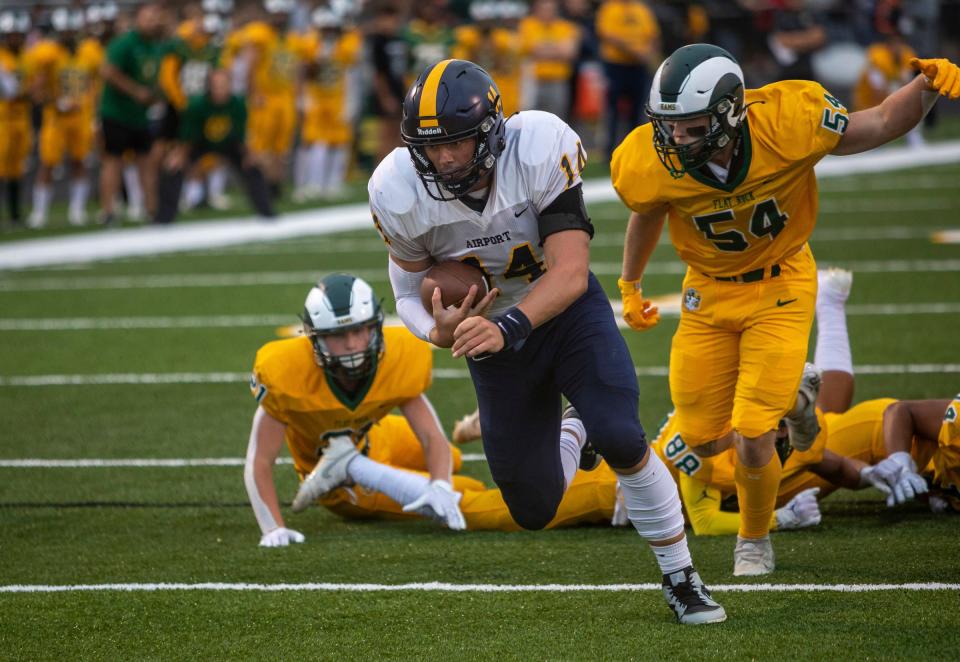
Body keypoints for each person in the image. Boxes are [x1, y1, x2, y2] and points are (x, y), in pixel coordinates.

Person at [366, 58, 725, 625]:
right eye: (431, 147)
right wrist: (434, 330)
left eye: (457, 142)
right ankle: (572, 426)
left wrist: (506, 327)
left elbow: (570, 273)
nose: (444, 158)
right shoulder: (396, 188)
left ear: (491, 131)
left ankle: (681, 576)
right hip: (490, 335)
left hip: (561, 311)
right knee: (532, 508)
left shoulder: (538, 147)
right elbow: (409, 292)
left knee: (622, 435)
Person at [612, 43, 960, 575]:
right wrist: (630, 282)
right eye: (669, 126)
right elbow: (647, 211)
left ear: (731, 111)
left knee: (753, 432)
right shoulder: (650, 159)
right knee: (701, 442)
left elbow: (881, 121)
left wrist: (925, 87)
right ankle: (798, 401)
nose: (676, 140)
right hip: (707, 290)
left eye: (692, 127)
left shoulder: (788, 119)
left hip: (782, 282)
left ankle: (753, 540)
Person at [245, 274, 471, 547]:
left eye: (358, 331)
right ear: (315, 339)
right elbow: (259, 460)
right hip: (337, 480)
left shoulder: (399, 355)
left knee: (453, 460)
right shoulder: (284, 372)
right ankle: (346, 467)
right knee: (472, 498)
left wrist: (440, 484)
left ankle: (352, 462)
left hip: (375, 435)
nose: (351, 344)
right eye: (338, 335)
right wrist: (272, 529)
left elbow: (431, 436)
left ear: (375, 327)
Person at [154, 68, 273, 224]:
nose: (220, 90)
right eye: (216, 85)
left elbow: (241, 134)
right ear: (209, 87)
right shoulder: (196, 105)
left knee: (252, 167)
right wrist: (179, 156)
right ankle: (164, 217)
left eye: (224, 85)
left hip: (228, 142)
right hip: (199, 142)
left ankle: (266, 213)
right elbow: (188, 136)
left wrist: (248, 155)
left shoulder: (238, 104)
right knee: (173, 167)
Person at [26, 10, 101, 228]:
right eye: (65, 31)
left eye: (72, 31)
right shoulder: (48, 54)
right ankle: (39, 212)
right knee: (47, 162)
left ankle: (77, 210)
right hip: (56, 117)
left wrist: (95, 113)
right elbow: (36, 89)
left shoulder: (88, 52)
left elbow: (96, 85)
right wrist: (54, 101)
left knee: (80, 161)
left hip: (81, 116)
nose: (69, 35)